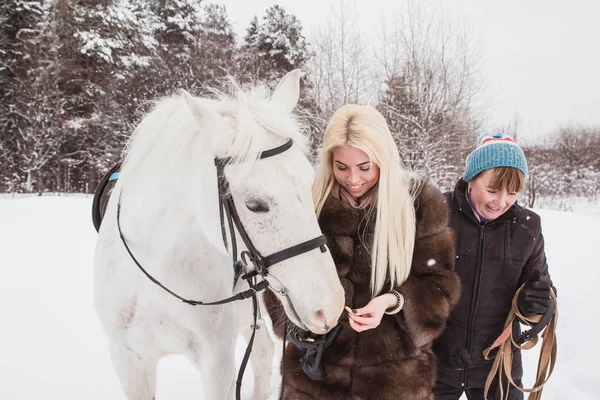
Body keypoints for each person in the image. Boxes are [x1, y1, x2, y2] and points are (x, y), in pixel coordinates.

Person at [280, 104, 461, 399]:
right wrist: (305, 320)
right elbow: (279, 280)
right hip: (314, 376)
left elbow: (439, 283)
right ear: (329, 162)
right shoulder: (307, 204)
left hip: (392, 380)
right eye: (342, 167)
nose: (353, 179)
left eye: (365, 167)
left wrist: (393, 301)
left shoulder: (419, 203)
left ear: (384, 158)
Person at [433, 133, 556, 400]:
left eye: (512, 193)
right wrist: (437, 335)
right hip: (434, 363)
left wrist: (534, 303)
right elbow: (408, 283)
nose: (500, 201)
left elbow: (545, 291)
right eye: (492, 189)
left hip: (498, 366)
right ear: (471, 179)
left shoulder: (527, 227)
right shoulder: (437, 213)